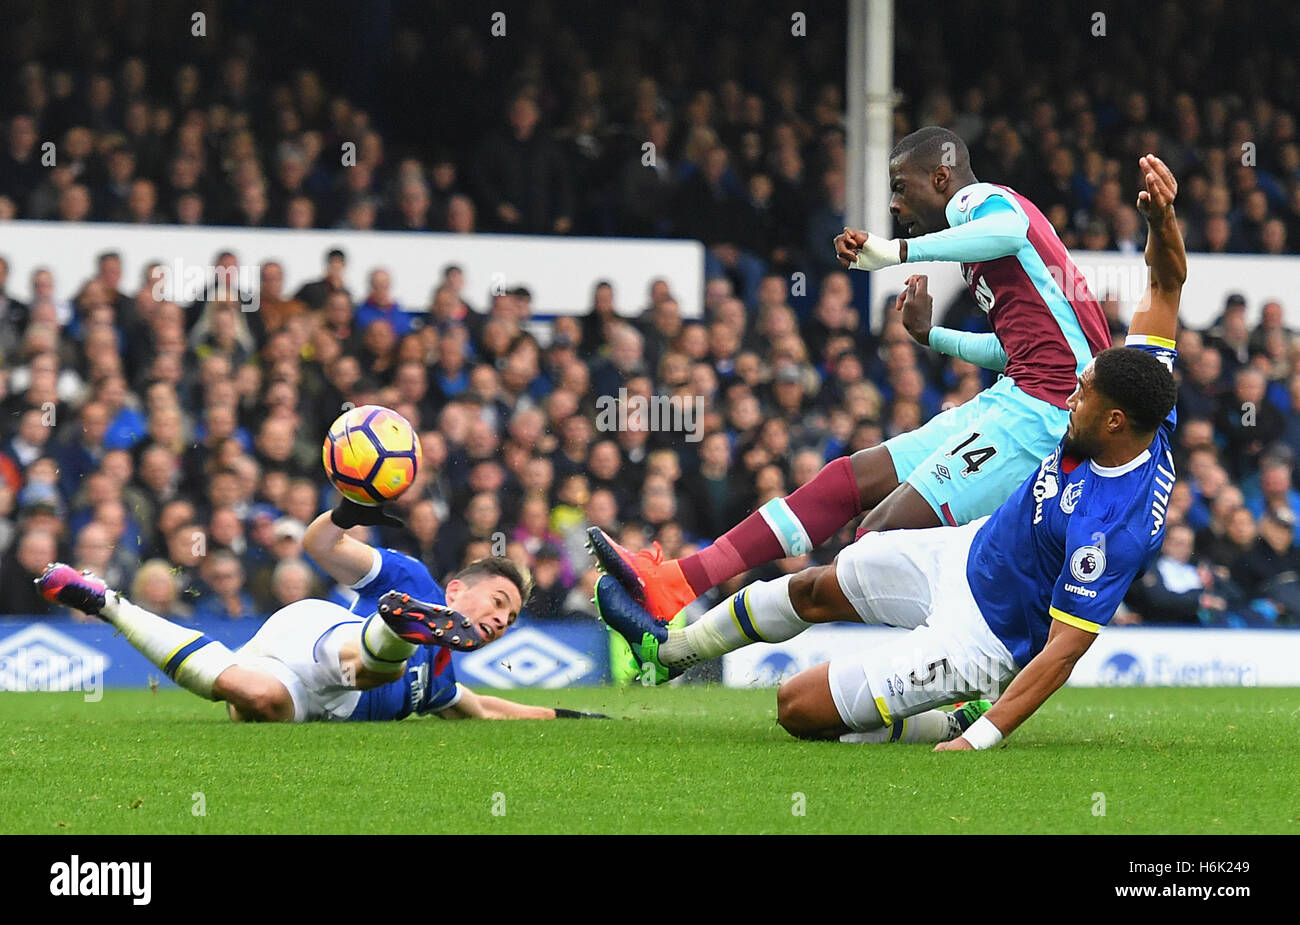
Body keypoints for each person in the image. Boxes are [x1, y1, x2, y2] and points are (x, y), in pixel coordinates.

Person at [596, 155, 1185, 751]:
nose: (895, 205)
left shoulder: (1115, 524)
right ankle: (671, 634)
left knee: (798, 700)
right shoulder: (1142, 391)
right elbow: (1163, 284)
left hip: (991, 613)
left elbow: (1064, 649)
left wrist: (982, 738)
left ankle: (952, 708)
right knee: (838, 524)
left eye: (900, 188)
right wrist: (1162, 220)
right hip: (972, 535)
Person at [589, 126, 1110, 622]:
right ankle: (676, 584)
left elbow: (1008, 227)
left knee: (877, 544)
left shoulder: (983, 205)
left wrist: (895, 253)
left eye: (901, 188)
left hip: (1045, 417)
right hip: (1019, 398)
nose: (893, 204)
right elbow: (1028, 351)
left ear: (942, 178)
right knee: (847, 482)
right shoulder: (985, 257)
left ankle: (967, 675)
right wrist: (932, 337)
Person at [39, 554, 608, 724]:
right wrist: (350, 506)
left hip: (298, 687)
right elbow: (324, 541)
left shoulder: (440, 685)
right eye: (499, 606)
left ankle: (104, 603)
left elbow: (487, 709)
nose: (501, 622)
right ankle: (392, 629)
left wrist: (571, 718)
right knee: (361, 666)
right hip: (322, 633)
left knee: (254, 701)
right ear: (455, 592)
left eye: (510, 622)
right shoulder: (413, 577)